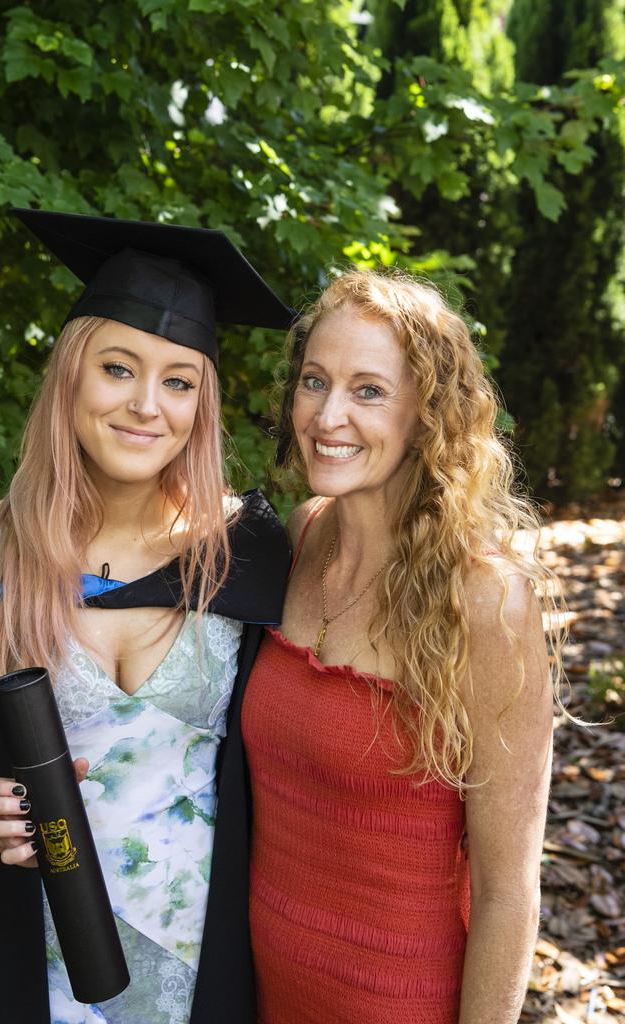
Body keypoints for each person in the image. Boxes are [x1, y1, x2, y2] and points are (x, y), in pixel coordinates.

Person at [0, 210, 292, 1024]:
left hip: (210, 958)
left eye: (178, 381)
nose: (146, 406)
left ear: (202, 403)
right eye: (118, 368)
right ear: (70, 375)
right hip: (25, 955)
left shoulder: (245, 556)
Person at [241, 268, 562, 1024]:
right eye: (315, 381)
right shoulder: (302, 535)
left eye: (369, 390)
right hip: (261, 994)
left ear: (427, 415)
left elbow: (508, 891)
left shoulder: (483, 599)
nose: (329, 414)